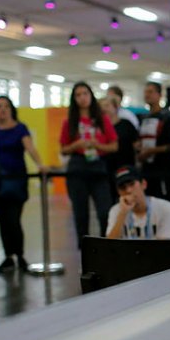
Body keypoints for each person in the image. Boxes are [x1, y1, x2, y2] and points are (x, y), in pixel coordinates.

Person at [0, 96, 45, 273]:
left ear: (11, 109)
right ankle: (8, 256)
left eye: (6, 106)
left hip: (17, 179)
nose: (2, 109)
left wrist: (40, 164)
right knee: (2, 219)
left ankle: (20, 254)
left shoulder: (20, 129)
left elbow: (30, 148)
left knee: (14, 218)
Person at [60, 81, 118, 247]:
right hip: (77, 168)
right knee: (80, 214)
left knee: (104, 211)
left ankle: (105, 247)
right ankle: (84, 251)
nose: (82, 98)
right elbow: (63, 149)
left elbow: (114, 145)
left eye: (85, 94)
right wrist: (76, 145)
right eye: (78, 95)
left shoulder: (102, 119)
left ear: (91, 96)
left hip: (98, 166)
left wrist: (97, 145)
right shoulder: (69, 122)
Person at [106, 166, 170, 240]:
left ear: (144, 184)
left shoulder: (165, 207)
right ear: (118, 192)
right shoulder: (116, 210)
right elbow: (109, 245)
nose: (128, 190)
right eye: (122, 187)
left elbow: (167, 246)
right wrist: (122, 213)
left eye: (132, 184)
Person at [139, 81, 170, 204]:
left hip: (164, 172)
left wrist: (151, 151)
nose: (147, 95)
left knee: (165, 204)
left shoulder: (168, 117)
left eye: (150, 92)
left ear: (159, 95)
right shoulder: (143, 118)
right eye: (146, 92)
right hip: (147, 171)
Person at [100, 96, 139, 201]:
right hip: (107, 169)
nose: (104, 109)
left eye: (107, 105)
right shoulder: (99, 128)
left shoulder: (126, 124)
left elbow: (137, 144)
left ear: (115, 107)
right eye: (101, 107)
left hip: (126, 168)